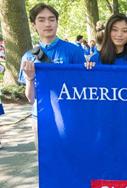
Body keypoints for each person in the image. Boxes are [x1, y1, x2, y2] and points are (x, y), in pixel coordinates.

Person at [18, 3, 85, 150]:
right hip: (41, 118)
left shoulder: (74, 51)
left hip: (69, 116)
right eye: (41, 20)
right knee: (46, 163)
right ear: (34, 25)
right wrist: (30, 78)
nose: (47, 24)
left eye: (51, 19)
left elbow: (84, 88)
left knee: (73, 159)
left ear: (57, 22)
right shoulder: (28, 57)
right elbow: (30, 99)